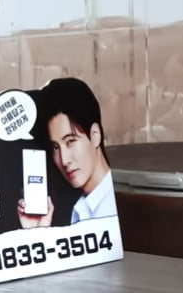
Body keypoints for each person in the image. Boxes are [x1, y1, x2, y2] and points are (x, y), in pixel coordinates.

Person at [18, 77, 116, 228]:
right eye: (55, 147)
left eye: (70, 141)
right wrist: (38, 231)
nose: (63, 160)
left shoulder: (119, 203)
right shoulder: (79, 209)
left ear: (95, 135)